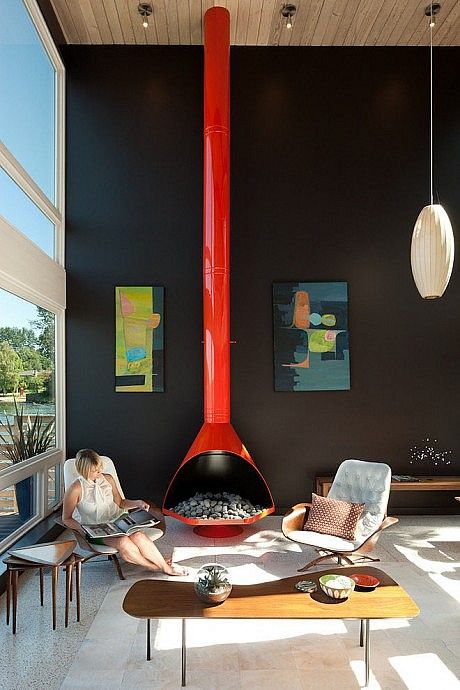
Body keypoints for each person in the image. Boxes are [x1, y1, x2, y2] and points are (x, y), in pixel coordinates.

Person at [62, 448, 187, 576]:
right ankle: (155, 567)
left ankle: (163, 566)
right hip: (97, 530)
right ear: (84, 470)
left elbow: (120, 502)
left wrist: (137, 503)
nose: (100, 472)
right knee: (123, 542)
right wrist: (82, 529)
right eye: (95, 470)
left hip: (119, 520)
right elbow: (66, 518)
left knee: (138, 536)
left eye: (100, 467)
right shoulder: (74, 490)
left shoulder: (107, 479)